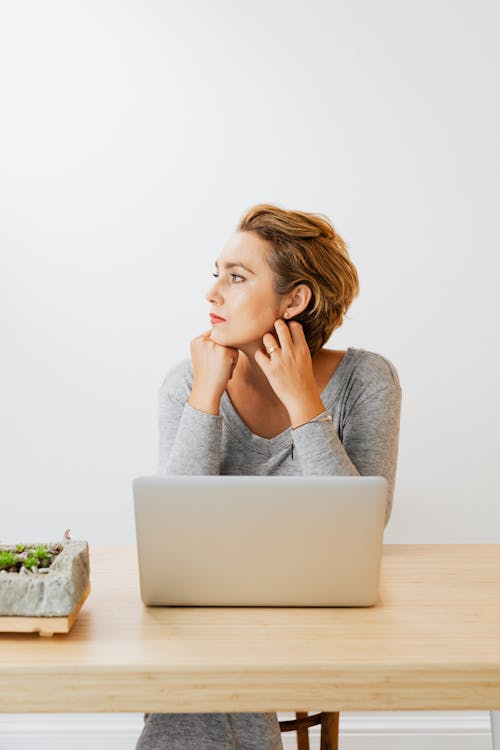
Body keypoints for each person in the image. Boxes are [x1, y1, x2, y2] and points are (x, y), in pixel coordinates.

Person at [135, 203, 402, 750]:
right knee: (210, 651)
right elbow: (177, 529)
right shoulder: (185, 380)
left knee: (210, 663)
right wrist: (205, 397)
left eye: (236, 278)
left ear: (295, 299)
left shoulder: (367, 380)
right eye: (217, 275)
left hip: (320, 605)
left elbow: (361, 526)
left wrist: (304, 402)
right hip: (210, 609)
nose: (212, 294)